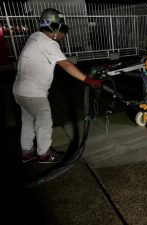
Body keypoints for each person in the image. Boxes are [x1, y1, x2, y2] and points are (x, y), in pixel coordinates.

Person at [13, 8, 101, 163]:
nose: (64, 35)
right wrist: (86, 79)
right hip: (34, 93)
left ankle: (27, 152)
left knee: (27, 121)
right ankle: (44, 154)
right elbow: (66, 65)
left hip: (19, 91)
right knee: (44, 123)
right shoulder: (49, 43)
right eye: (63, 29)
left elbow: (52, 62)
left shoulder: (34, 37)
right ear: (55, 28)